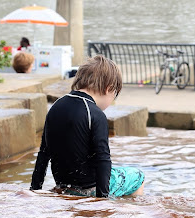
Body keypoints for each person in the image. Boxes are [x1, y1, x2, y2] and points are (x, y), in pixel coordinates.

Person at [30, 55, 145, 198]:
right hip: (90, 188)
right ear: (108, 89)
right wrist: (101, 199)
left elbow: (44, 153)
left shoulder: (56, 106)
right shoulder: (95, 114)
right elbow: (103, 159)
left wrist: (35, 189)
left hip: (64, 185)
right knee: (137, 176)